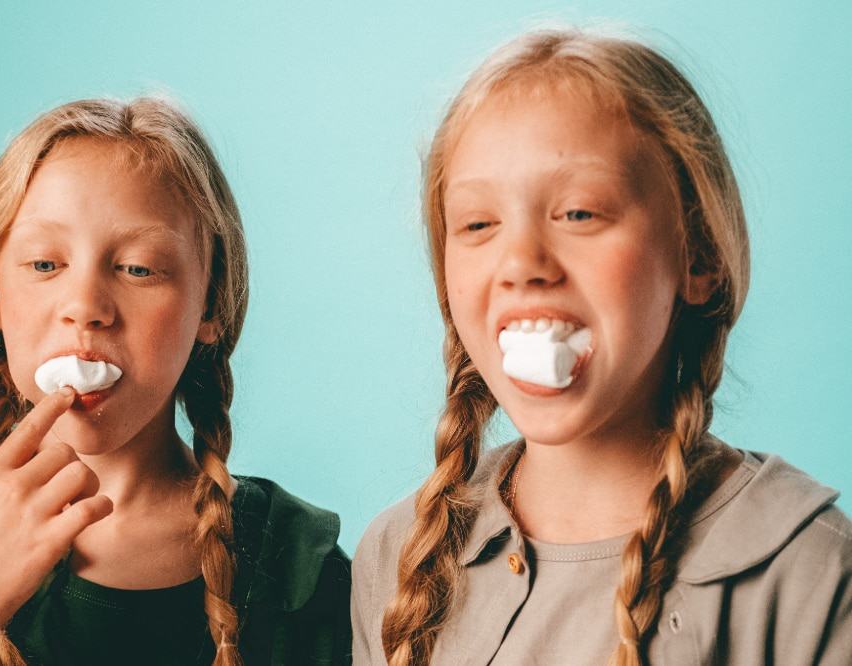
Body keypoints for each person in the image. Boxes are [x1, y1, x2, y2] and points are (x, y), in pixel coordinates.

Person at [352, 28, 852, 665]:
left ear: (696, 256)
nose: (522, 263)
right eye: (478, 224)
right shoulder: (400, 558)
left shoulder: (809, 574)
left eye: (581, 213)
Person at [0, 97, 351, 666]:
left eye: (138, 268)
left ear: (210, 305)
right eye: (44, 265)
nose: (86, 307)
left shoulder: (301, 563)